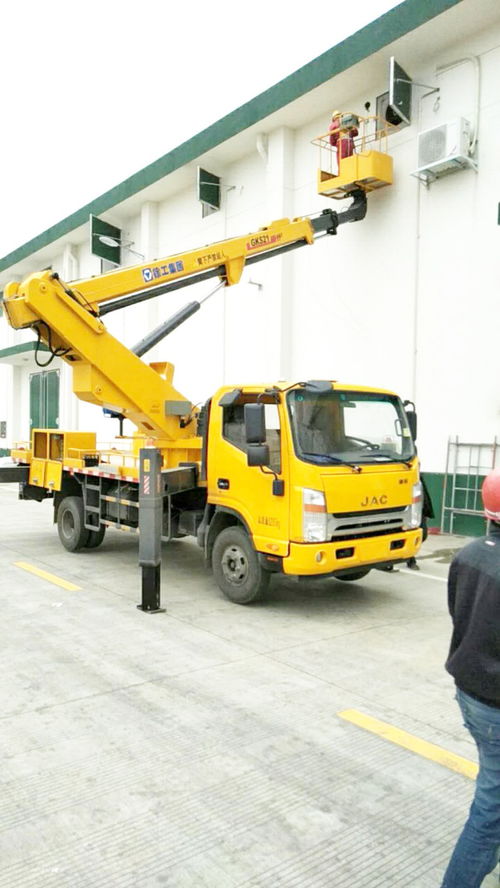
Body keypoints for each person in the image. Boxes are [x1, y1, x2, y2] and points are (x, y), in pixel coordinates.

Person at [440, 468, 500, 887]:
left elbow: (458, 617)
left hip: (471, 694)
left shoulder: (468, 554)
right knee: (489, 811)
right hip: (496, 704)